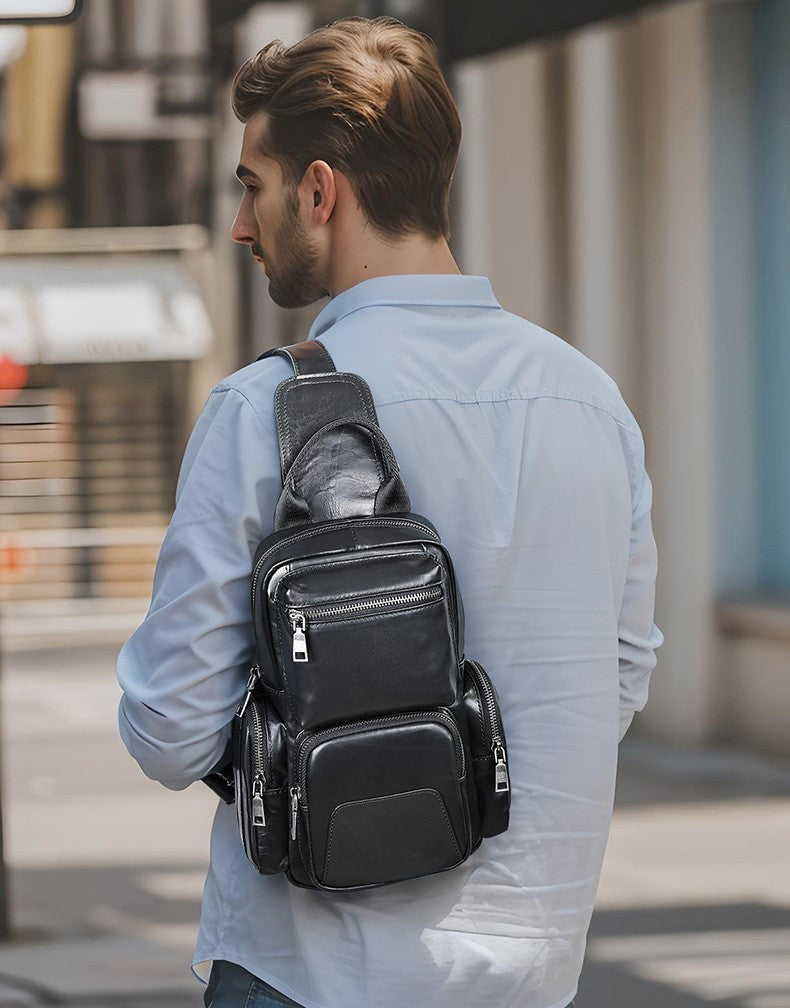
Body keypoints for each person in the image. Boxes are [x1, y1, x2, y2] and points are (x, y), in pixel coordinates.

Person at [116, 15, 663, 1008]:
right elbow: (618, 676)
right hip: (531, 972)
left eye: (251, 184)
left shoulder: (265, 410)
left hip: (315, 971)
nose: (241, 224)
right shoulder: (591, 402)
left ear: (318, 190)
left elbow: (169, 727)